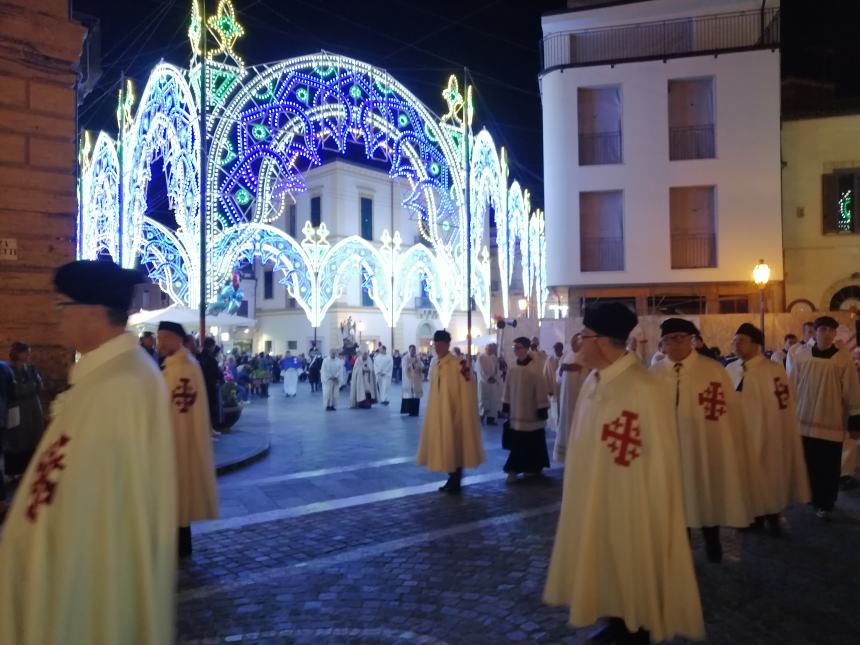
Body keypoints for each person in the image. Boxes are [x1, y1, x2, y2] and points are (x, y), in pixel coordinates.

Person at [0, 260, 177, 645]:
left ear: (94, 313)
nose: (56, 318)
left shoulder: (123, 385)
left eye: (62, 306)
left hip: (81, 598)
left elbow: (99, 525)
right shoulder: (106, 377)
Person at [544, 303, 704, 645]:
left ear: (601, 341)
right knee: (605, 559)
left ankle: (636, 626)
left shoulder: (643, 388)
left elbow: (660, 459)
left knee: (631, 562)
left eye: (582, 337)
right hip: (597, 496)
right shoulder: (594, 381)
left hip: (632, 503)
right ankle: (617, 619)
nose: (578, 344)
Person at [650, 318, 753, 563]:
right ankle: (680, 544)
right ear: (662, 344)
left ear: (692, 341)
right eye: (669, 339)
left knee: (705, 490)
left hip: (703, 446)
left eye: (681, 338)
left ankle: (711, 539)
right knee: (675, 497)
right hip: (668, 447)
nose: (675, 344)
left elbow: (728, 410)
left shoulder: (712, 370)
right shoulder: (653, 374)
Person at [726, 323, 810, 535]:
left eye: (741, 341)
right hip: (738, 434)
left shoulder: (772, 371)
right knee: (743, 477)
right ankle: (750, 516)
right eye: (734, 340)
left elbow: (782, 407)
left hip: (767, 433)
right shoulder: (730, 369)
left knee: (768, 476)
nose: (736, 344)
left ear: (756, 345)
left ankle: (772, 515)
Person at [157, 321, 219, 558]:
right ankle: (178, 546)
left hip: (179, 442)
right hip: (172, 441)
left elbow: (181, 409)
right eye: (158, 338)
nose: (160, 342)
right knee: (176, 497)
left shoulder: (184, 367)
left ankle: (180, 549)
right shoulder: (173, 366)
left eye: (164, 338)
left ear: (176, 339)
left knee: (178, 494)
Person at [788, 315, 860, 519]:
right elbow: (793, 386)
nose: (827, 334)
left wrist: (855, 420)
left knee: (828, 465)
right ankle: (811, 496)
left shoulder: (843, 358)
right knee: (809, 462)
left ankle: (826, 502)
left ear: (835, 334)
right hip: (804, 420)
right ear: (815, 332)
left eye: (831, 330)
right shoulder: (802, 356)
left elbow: (852, 391)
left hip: (831, 422)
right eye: (823, 329)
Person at [416, 330, 485, 493]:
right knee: (446, 444)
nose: (438, 346)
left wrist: (462, 411)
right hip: (439, 412)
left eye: (441, 343)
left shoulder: (457, 364)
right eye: (436, 343)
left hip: (455, 412)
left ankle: (455, 478)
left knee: (455, 444)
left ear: (448, 344)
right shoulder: (436, 365)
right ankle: (452, 477)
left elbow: (467, 389)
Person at [502, 337, 551, 483]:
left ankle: (534, 467)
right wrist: (506, 403)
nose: (515, 350)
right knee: (519, 442)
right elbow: (507, 386)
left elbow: (541, 387)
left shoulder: (535, 367)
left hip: (531, 413)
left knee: (533, 440)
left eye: (518, 347)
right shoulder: (512, 366)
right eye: (514, 348)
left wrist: (542, 407)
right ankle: (515, 469)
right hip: (517, 412)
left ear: (525, 348)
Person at [4, 343, 45, 479]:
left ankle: (30, 470)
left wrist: (25, 388)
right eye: (26, 353)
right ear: (17, 353)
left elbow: (39, 386)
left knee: (33, 437)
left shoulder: (31, 369)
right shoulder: (7, 369)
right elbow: (12, 390)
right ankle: (14, 471)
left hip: (33, 407)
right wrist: (28, 388)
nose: (28, 356)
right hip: (17, 408)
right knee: (16, 439)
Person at [552, 334, 587, 463]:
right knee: (565, 421)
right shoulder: (567, 355)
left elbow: (587, 371)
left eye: (577, 341)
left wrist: (574, 367)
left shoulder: (585, 355)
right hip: (565, 395)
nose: (574, 343)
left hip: (578, 395)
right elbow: (559, 374)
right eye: (573, 341)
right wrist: (563, 369)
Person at [199, 337, 223, 431]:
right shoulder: (209, 358)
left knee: (207, 408)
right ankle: (209, 429)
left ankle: (209, 429)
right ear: (211, 346)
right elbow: (215, 373)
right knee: (210, 408)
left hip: (204, 385)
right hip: (210, 386)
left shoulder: (201, 356)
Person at [477, 343, 503, 424]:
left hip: (493, 382)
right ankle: (481, 417)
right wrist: (488, 378)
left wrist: (495, 378)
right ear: (486, 348)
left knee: (493, 401)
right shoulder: (481, 357)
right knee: (483, 400)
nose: (492, 350)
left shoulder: (494, 358)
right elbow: (480, 370)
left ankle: (490, 419)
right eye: (490, 348)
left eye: (493, 349)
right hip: (484, 383)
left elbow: (497, 369)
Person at [543, 341, 564, 430]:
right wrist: (548, 390)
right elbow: (545, 375)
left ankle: (561, 428)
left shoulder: (566, 359)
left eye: (558, 349)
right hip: (554, 390)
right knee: (555, 410)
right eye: (555, 349)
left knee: (563, 409)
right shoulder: (550, 360)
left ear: (561, 349)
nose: (556, 351)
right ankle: (556, 428)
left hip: (563, 390)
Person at [400, 345, 423, 417]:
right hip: (408, 379)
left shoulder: (418, 358)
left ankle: (415, 412)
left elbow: (421, 366)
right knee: (409, 395)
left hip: (416, 380)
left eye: (414, 350)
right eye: (412, 350)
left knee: (416, 396)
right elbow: (404, 368)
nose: (413, 351)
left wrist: (421, 368)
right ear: (409, 350)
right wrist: (412, 364)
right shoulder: (405, 358)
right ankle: (410, 411)